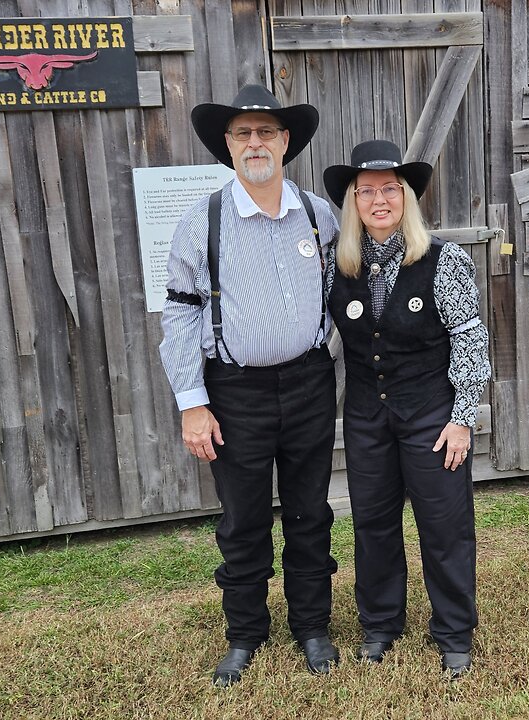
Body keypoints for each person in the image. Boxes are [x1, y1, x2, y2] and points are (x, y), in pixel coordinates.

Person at [158, 84, 341, 688]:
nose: (256, 142)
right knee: (242, 519)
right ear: (228, 146)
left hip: (311, 383)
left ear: (286, 142)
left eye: (267, 131)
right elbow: (181, 314)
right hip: (234, 393)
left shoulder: (320, 215)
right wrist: (192, 403)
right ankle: (245, 633)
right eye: (244, 133)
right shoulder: (200, 223)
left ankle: (313, 627)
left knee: (311, 512)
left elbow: (350, 293)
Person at [321, 140, 491, 679]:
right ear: (353, 202)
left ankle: (454, 633)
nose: (378, 200)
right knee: (372, 525)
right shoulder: (337, 266)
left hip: (432, 418)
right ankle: (380, 625)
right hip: (368, 419)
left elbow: (470, 340)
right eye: (366, 191)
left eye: (389, 190)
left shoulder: (443, 260)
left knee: (444, 526)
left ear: (407, 198)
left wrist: (463, 417)